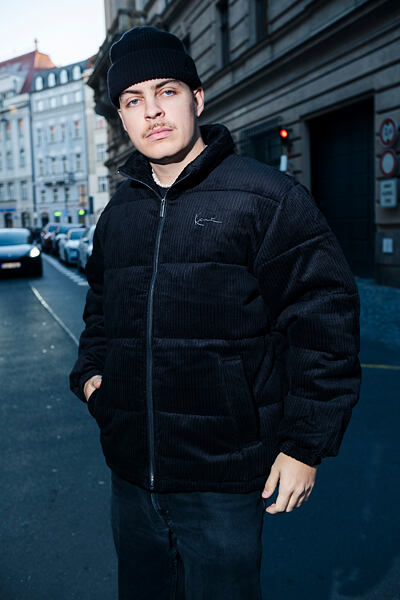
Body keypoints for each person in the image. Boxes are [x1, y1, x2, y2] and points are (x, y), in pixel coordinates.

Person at [69, 25, 362, 600]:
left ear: (197, 98)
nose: (153, 112)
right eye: (133, 100)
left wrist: (305, 446)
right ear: (121, 117)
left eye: (167, 91)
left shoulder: (267, 197)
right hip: (132, 475)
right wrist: (92, 378)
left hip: (224, 481)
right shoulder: (119, 213)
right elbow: (100, 308)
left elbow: (324, 323)